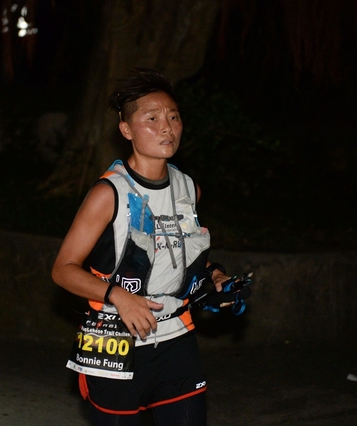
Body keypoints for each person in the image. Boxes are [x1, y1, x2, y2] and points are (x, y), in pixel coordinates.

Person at [51, 68, 244, 426]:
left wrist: (214, 276)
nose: (167, 128)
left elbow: (181, 256)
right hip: (115, 339)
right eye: (152, 118)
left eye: (173, 117)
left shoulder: (189, 188)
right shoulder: (109, 193)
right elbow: (63, 270)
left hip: (176, 337)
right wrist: (119, 297)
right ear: (126, 129)